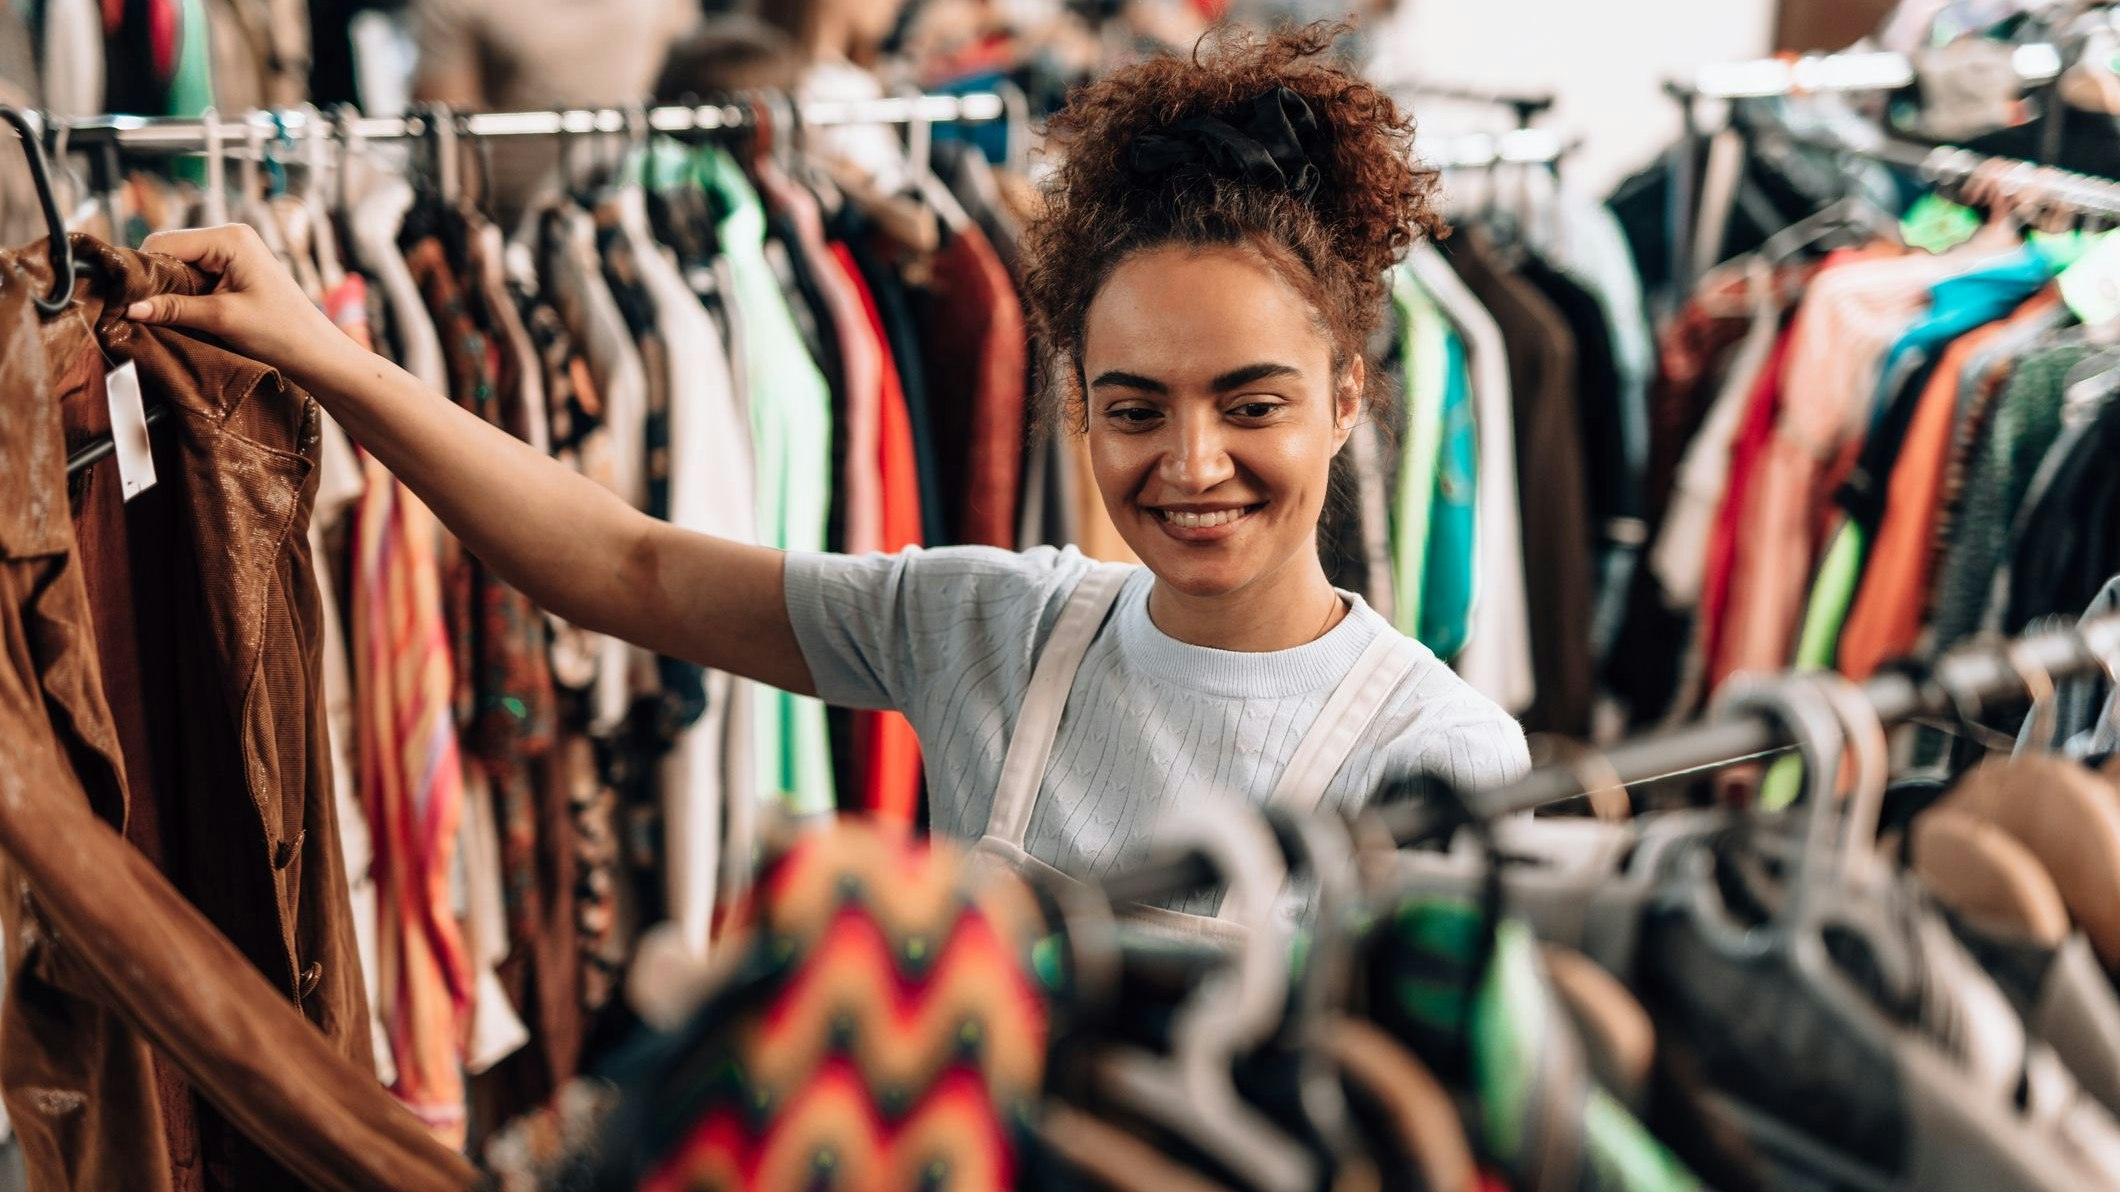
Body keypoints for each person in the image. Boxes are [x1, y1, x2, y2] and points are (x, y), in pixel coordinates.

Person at [121, 23, 1530, 927]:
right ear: (1076, 406)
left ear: (1348, 398)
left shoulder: (1442, 755)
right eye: (1135, 407)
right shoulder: (998, 628)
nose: (1192, 462)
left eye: (1253, 402)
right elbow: (624, 567)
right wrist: (325, 356)